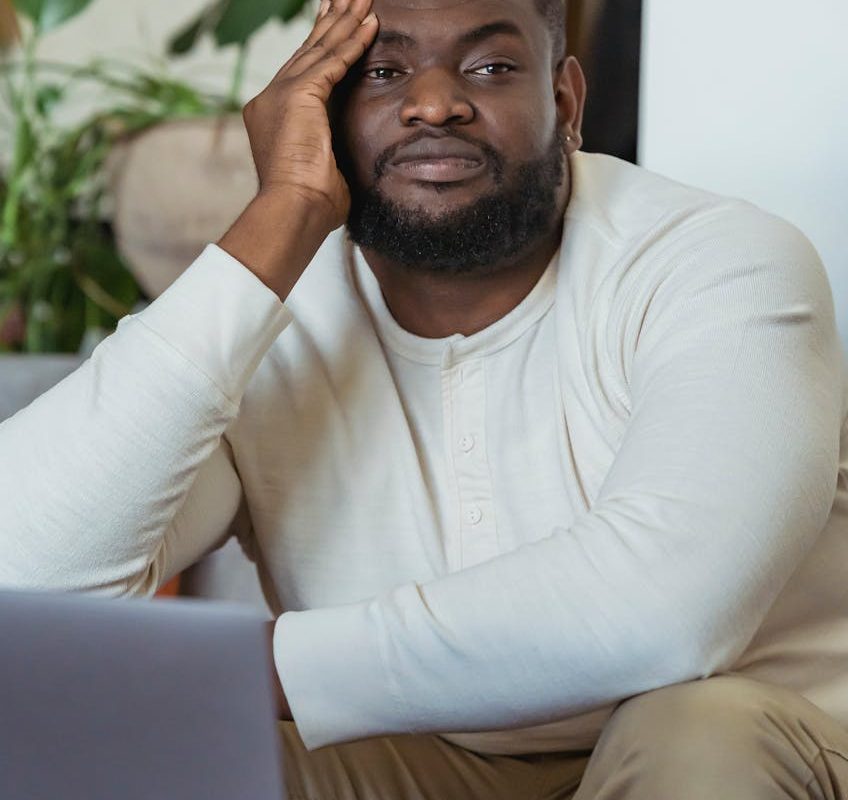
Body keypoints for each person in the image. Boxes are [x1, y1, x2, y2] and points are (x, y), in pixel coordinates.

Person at [2, 0, 847, 796]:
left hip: (745, 748)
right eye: (383, 72)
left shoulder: (719, 262)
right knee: (122, 754)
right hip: (430, 759)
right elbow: (22, 582)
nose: (435, 104)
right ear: (322, 110)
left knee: (695, 731)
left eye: (489, 67)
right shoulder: (274, 318)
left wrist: (250, 668)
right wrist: (279, 214)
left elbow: (665, 614)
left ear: (564, 101)